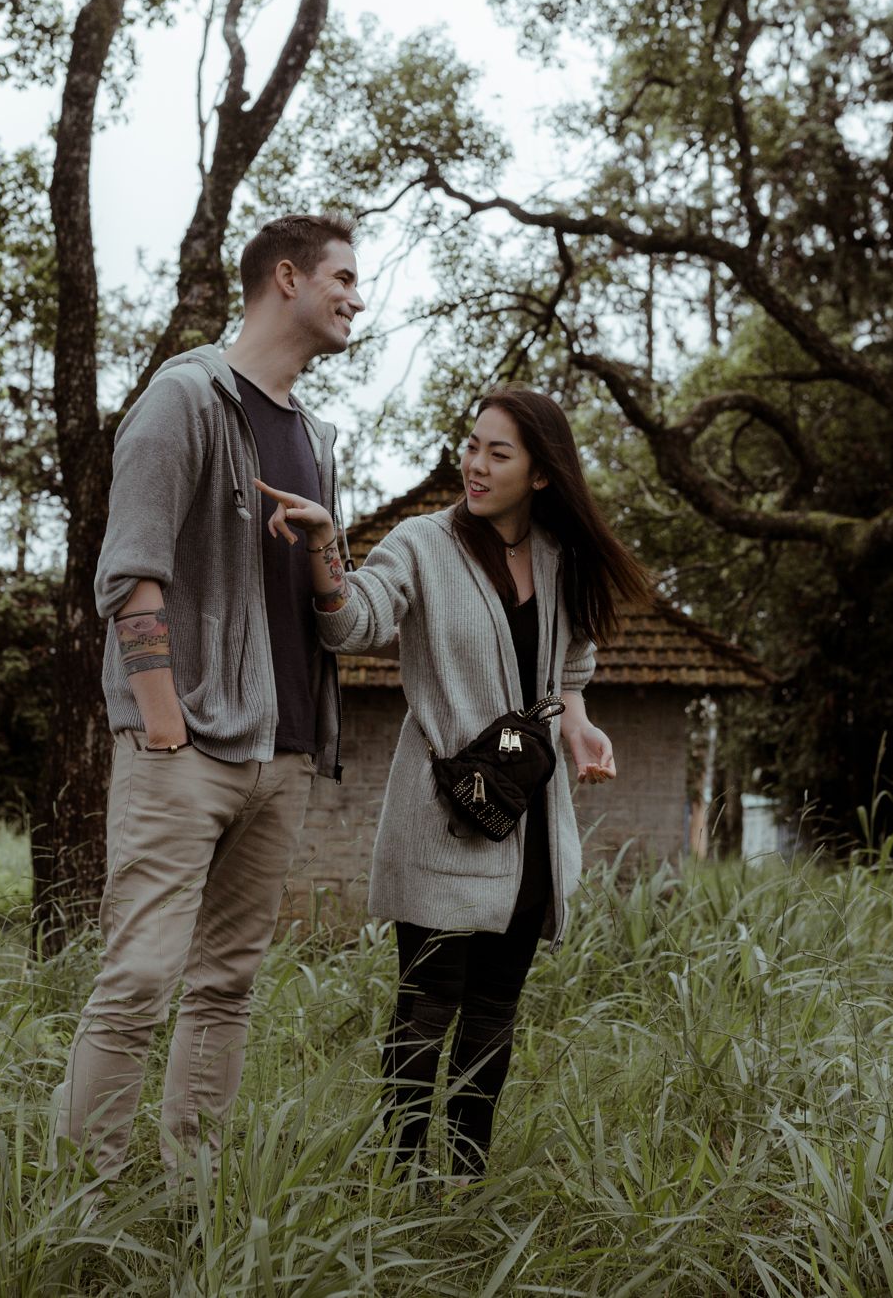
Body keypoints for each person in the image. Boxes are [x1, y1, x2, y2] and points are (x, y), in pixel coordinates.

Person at [253, 387, 654, 1182]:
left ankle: (465, 1177)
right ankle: (407, 1177)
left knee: (495, 1009)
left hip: (529, 817)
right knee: (427, 1004)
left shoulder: (559, 557)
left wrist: (577, 724)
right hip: (446, 812)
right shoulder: (422, 543)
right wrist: (326, 546)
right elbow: (350, 623)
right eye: (472, 445)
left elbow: (573, 664)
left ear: (541, 473)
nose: (475, 463)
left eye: (498, 453)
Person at [53, 213, 365, 1181]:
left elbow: (333, 612)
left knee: (226, 984)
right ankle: (83, 1197)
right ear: (287, 277)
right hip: (182, 752)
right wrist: (161, 723)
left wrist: (325, 548)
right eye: (344, 278)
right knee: (138, 980)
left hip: (283, 756)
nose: (357, 299)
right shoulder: (182, 399)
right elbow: (129, 573)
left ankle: (193, 1190)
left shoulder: (315, 438)